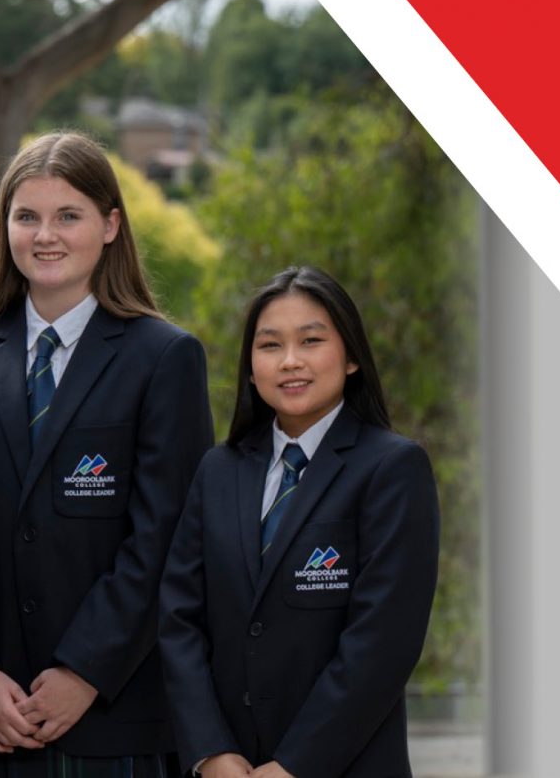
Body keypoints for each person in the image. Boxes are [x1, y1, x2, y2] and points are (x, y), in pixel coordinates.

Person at [0, 132, 211, 777]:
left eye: (68, 216)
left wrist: (84, 669)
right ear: (4, 228)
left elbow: (165, 539)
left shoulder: (164, 359)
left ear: (111, 225)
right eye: (26, 217)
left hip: (115, 718)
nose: (45, 235)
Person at [159, 266, 438, 778]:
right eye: (269, 346)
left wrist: (293, 766)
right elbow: (178, 619)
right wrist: (210, 750)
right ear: (250, 366)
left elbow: (382, 642)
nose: (290, 362)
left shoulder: (392, 469)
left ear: (351, 356)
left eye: (311, 341)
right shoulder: (218, 470)